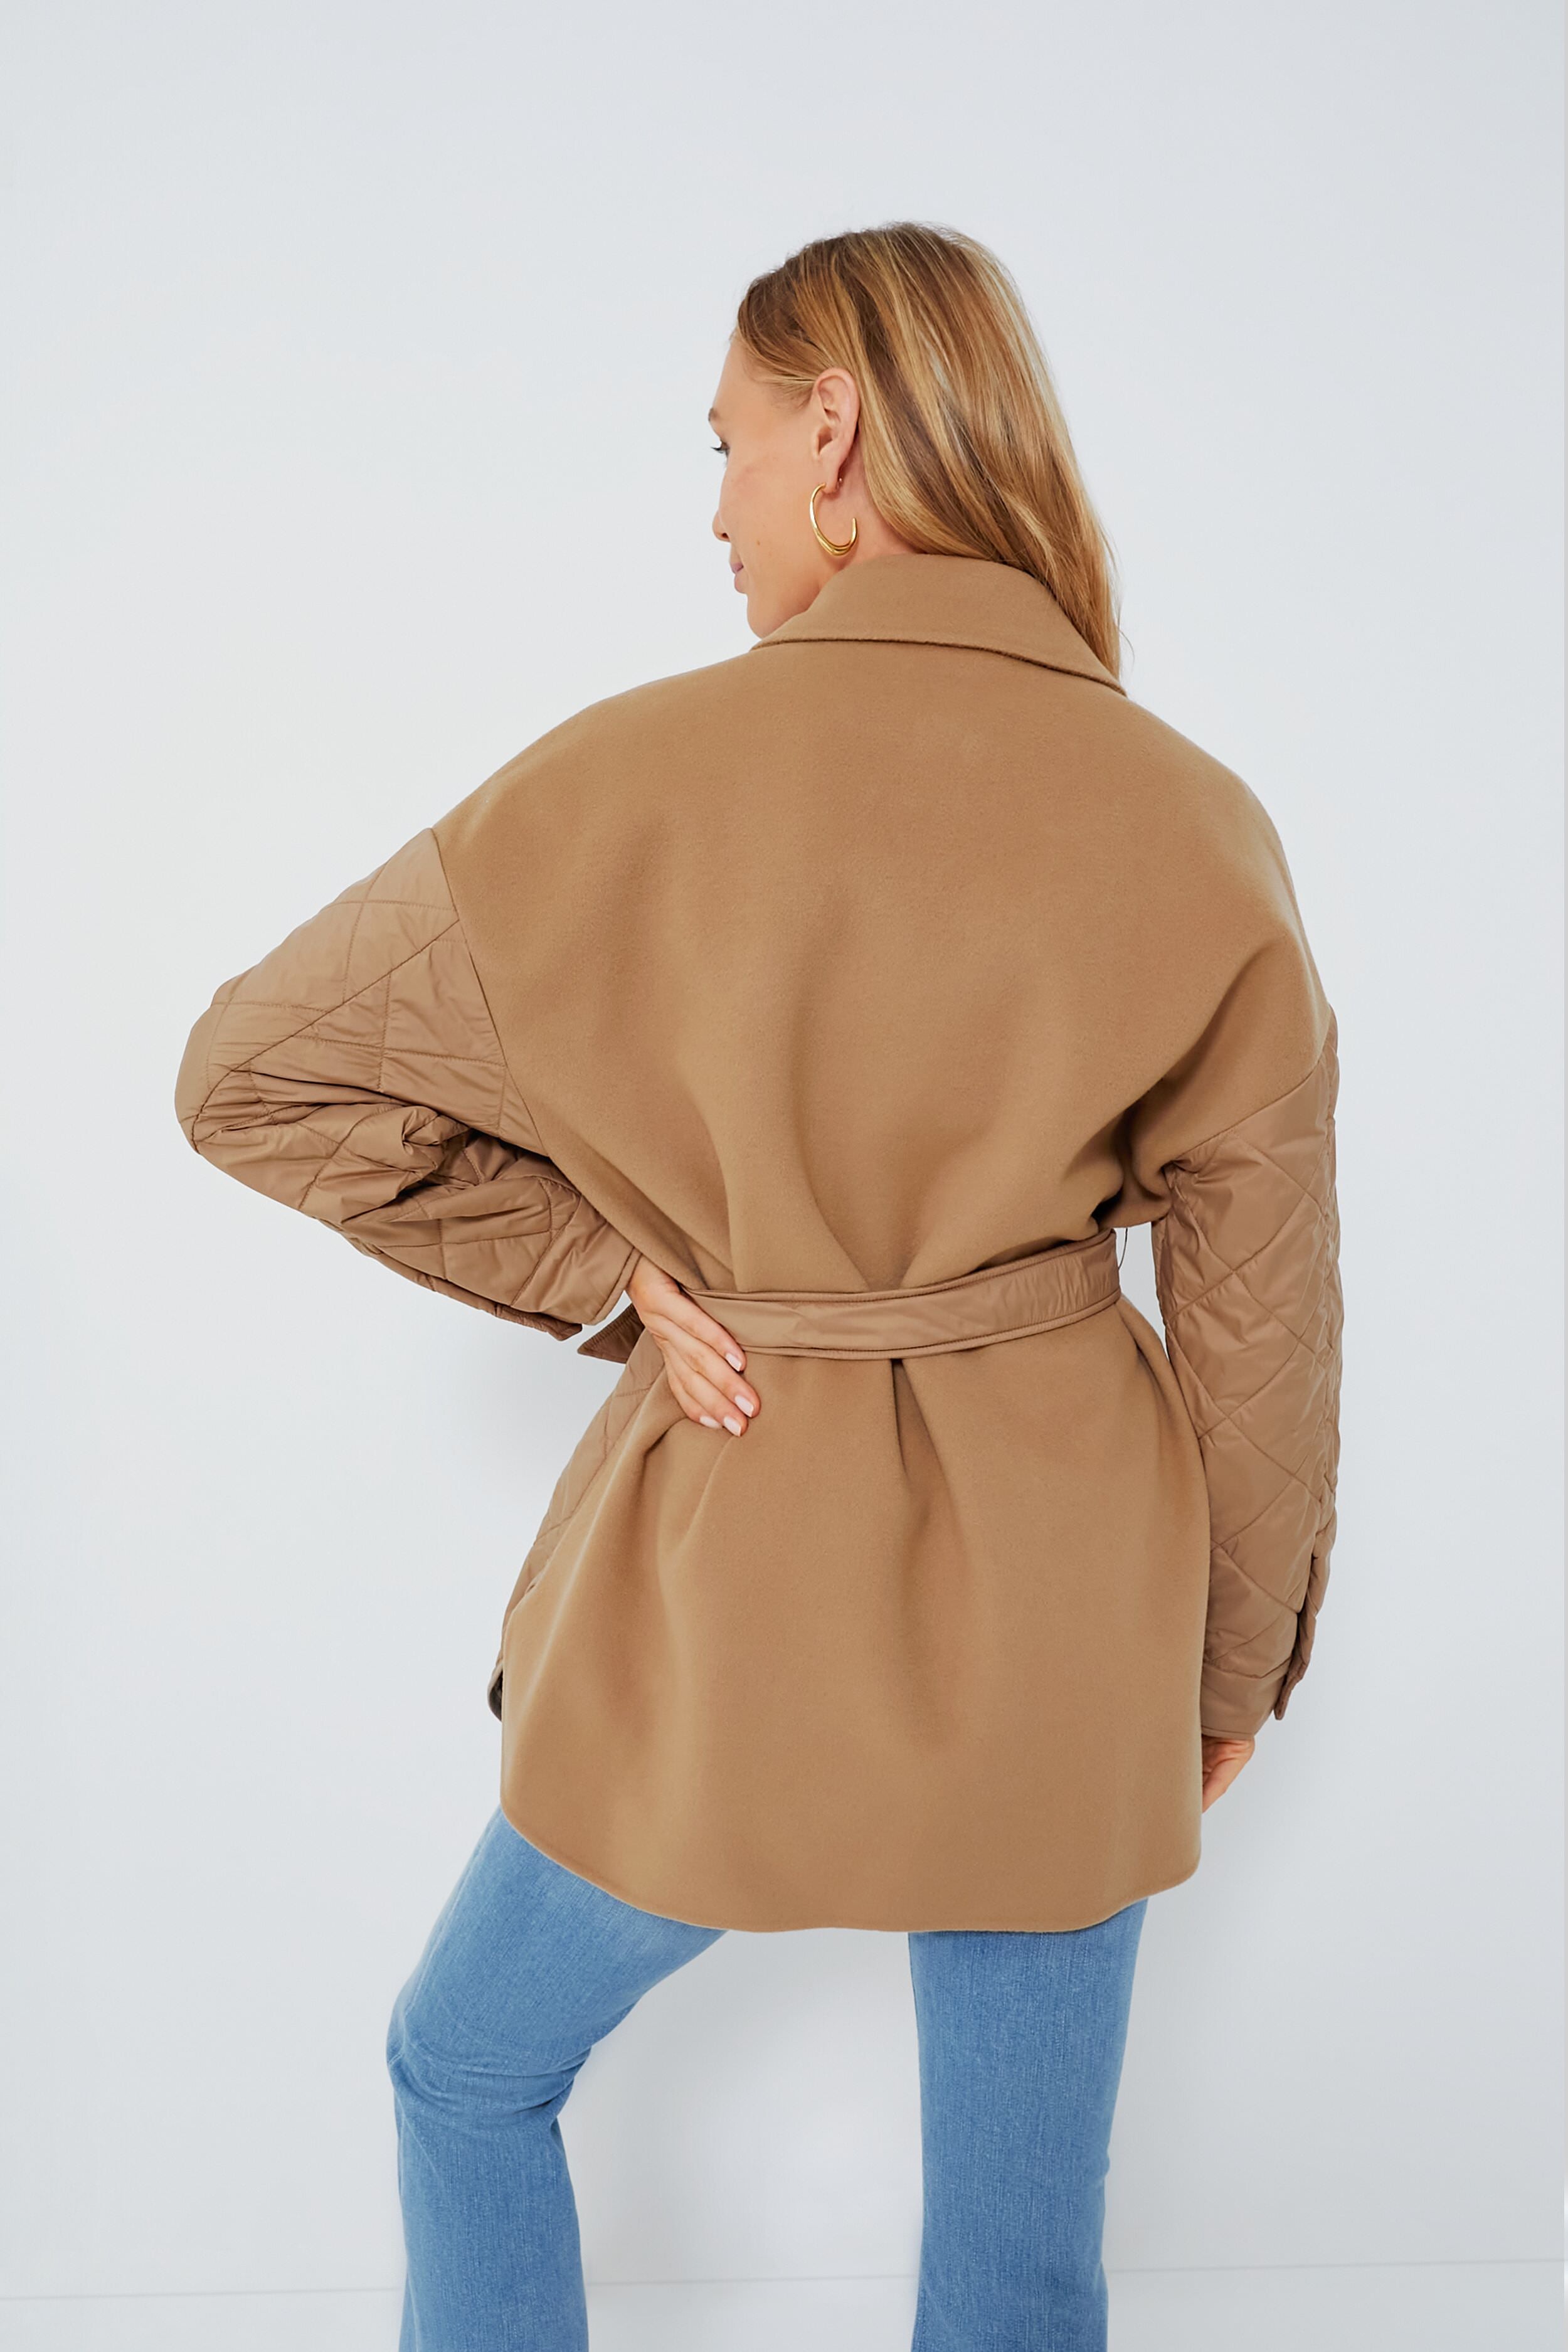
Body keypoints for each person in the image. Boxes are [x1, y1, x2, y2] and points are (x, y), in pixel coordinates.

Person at [174, 221, 1343, 2352]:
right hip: (1070, 1592)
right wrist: (1230, 1666)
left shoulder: (606, 783)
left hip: (735, 1551)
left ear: (832, 431)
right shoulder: (1192, 819)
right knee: (1019, 2257)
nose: (711, 504)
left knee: (465, 2068)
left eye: (721, 441)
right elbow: (1262, 1310)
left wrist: (609, 1277)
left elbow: (250, 1077)